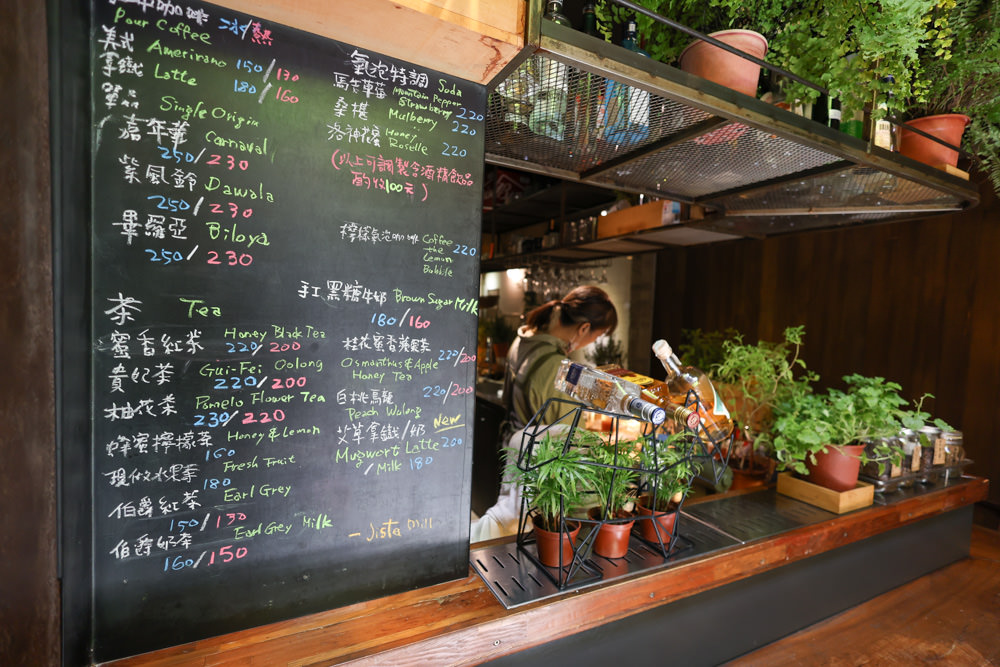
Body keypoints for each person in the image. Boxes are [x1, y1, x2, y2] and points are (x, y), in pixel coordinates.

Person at [502, 285, 618, 429]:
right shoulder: (560, 371)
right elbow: (574, 442)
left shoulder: (523, 339)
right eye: (597, 336)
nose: (593, 341)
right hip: (534, 451)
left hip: (509, 445)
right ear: (584, 328)